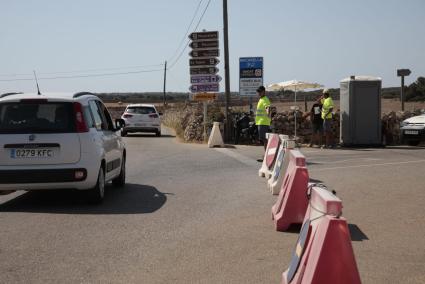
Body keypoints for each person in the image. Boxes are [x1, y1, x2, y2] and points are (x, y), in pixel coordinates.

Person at [255, 86, 271, 151]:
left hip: (263, 122)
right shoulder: (261, 99)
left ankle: (267, 155)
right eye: (258, 92)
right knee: (263, 139)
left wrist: (268, 113)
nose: (258, 93)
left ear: (264, 91)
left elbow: (267, 107)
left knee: (264, 139)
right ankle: (266, 155)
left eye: (260, 91)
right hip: (260, 122)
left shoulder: (265, 99)